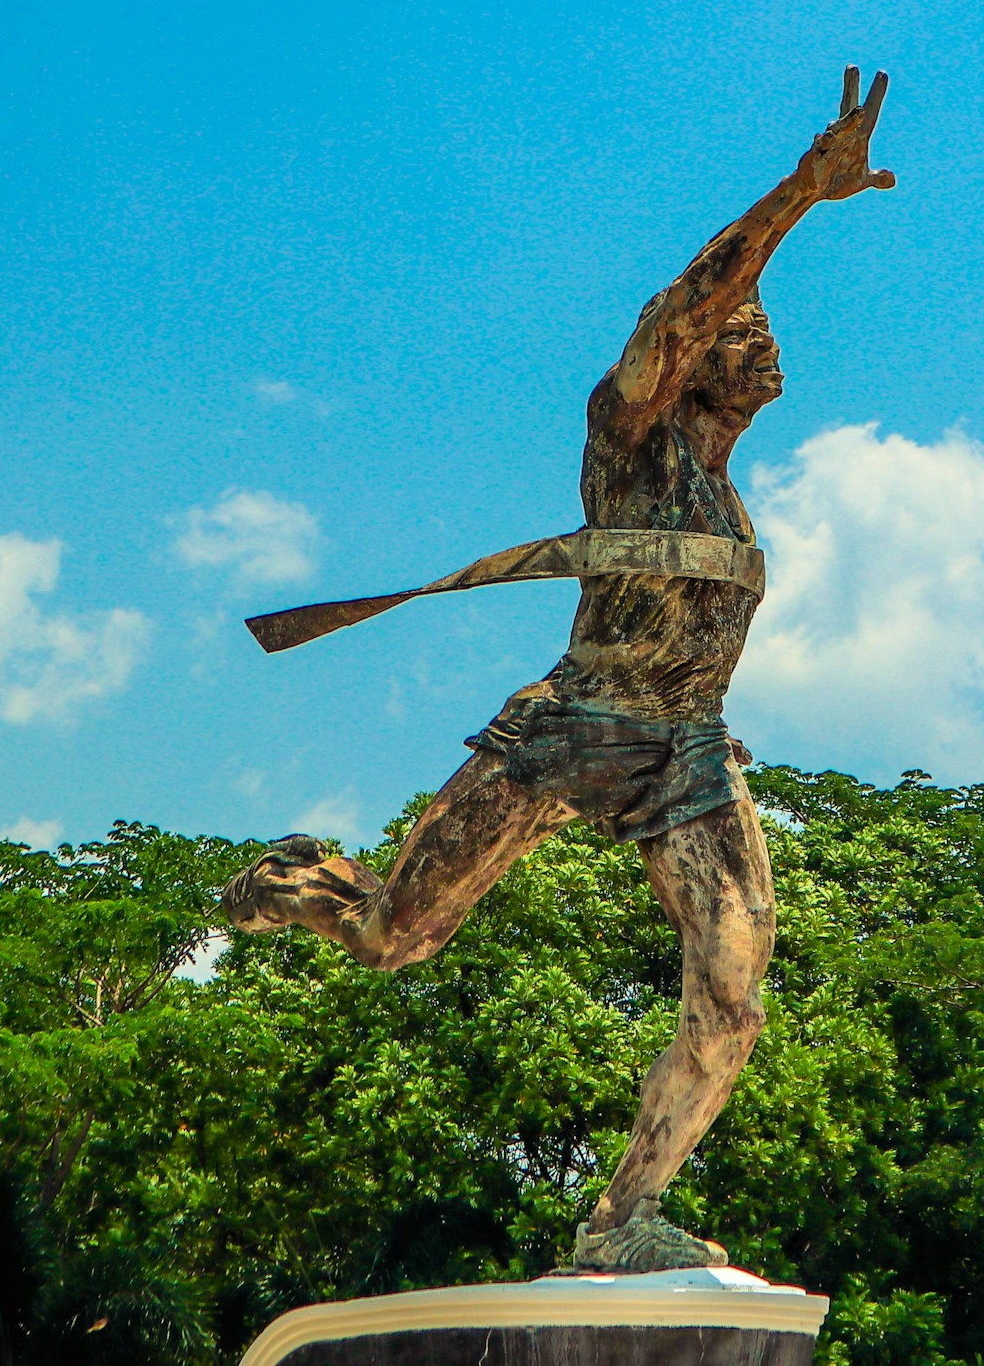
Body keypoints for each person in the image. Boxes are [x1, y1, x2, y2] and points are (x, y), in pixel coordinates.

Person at [223, 66, 895, 1271]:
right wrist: (800, 193)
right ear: (690, 351)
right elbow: (692, 300)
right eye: (740, 321)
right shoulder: (625, 432)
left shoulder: (729, 496)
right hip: (575, 723)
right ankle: (297, 879)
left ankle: (619, 1218)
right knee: (397, 938)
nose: (762, 333)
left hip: (685, 747)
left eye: (759, 319)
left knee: (733, 997)